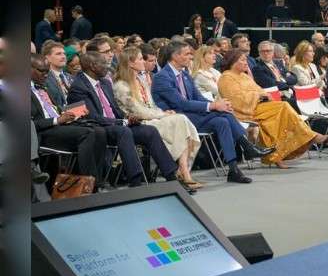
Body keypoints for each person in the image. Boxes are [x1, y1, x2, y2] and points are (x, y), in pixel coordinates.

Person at [152, 40, 272, 183]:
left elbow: (198, 98)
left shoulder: (184, 75)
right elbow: (180, 103)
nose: (191, 57)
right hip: (176, 118)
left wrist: (217, 105)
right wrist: (214, 106)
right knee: (223, 114)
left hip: (193, 116)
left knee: (222, 121)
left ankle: (234, 169)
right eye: (187, 54)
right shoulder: (162, 77)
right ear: (175, 56)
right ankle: (247, 147)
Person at [67, 52, 181, 188]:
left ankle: (171, 175)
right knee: (123, 132)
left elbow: (115, 109)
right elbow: (91, 117)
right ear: (93, 66)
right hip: (99, 128)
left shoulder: (104, 83)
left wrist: (128, 117)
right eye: (104, 63)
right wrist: (121, 122)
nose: (108, 67)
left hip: (117, 124)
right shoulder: (78, 87)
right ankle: (135, 180)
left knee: (149, 131)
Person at [113, 47, 203, 191]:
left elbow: (152, 105)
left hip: (152, 117)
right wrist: (162, 115)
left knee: (181, 119)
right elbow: (137, 111)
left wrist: (163, 112)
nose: (143, 62)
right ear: (130, 63)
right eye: (140, 59)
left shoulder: (140, 81)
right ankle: (180, 173)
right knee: (179, 122)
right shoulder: (121, 85)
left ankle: (184, 171)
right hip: (139, 122)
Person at [218, 49, 327, 167]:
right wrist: (259, 95)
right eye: (243, 60)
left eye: (246, 60)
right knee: (282, 108)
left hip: (257, 107)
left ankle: (278, 155)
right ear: (233, 61)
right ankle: (308, 136)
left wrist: (263, 95)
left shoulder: (244, 76)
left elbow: (258, 90)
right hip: (243, 112)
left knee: (278, 114)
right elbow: (236, 100)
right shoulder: (226, 78)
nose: (246, 63)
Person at [30, 54, 108, 181]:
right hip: (44, 132)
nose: (45, 75)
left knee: (99, 131)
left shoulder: (42, 86)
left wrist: (75, 111)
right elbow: (31, 124)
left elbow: (55, 109)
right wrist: (57, 120)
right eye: (41, 71)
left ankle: (97, 179)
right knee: (87, 133)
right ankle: (87, 181)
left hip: (60, 126)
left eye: (47, 71)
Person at [42, 40, 73, 107]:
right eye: (58, 54)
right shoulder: (44, 78)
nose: (63, 56)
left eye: (64, 54)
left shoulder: (71, 77)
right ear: (47, 58)